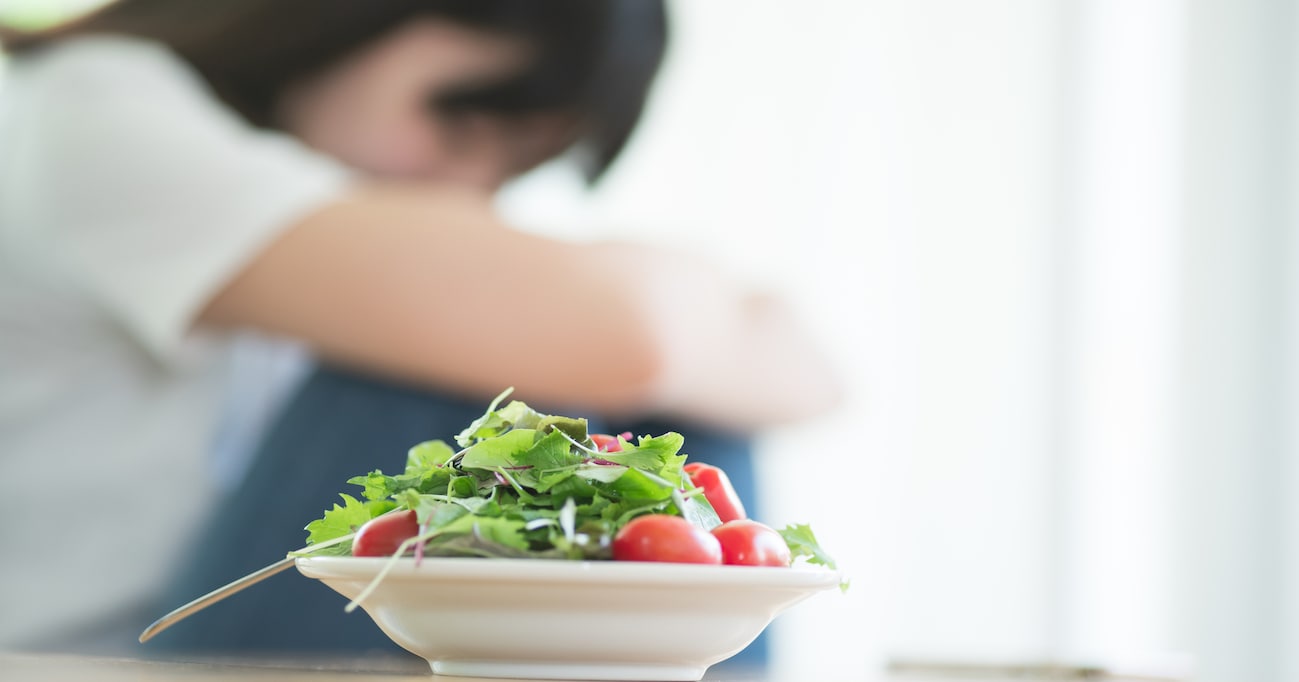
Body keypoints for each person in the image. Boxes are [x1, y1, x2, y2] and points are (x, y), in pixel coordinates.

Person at [0, 0, 840, 664]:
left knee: (640, 407)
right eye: (463, 120)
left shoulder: (281, 178)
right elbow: (636, 337)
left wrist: (663, 327)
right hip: (106, 654)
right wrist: (709, 309)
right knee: (511, 373)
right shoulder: (98, 106)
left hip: (208, 628)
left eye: (512, 168)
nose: (464, 187)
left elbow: (815, 371)